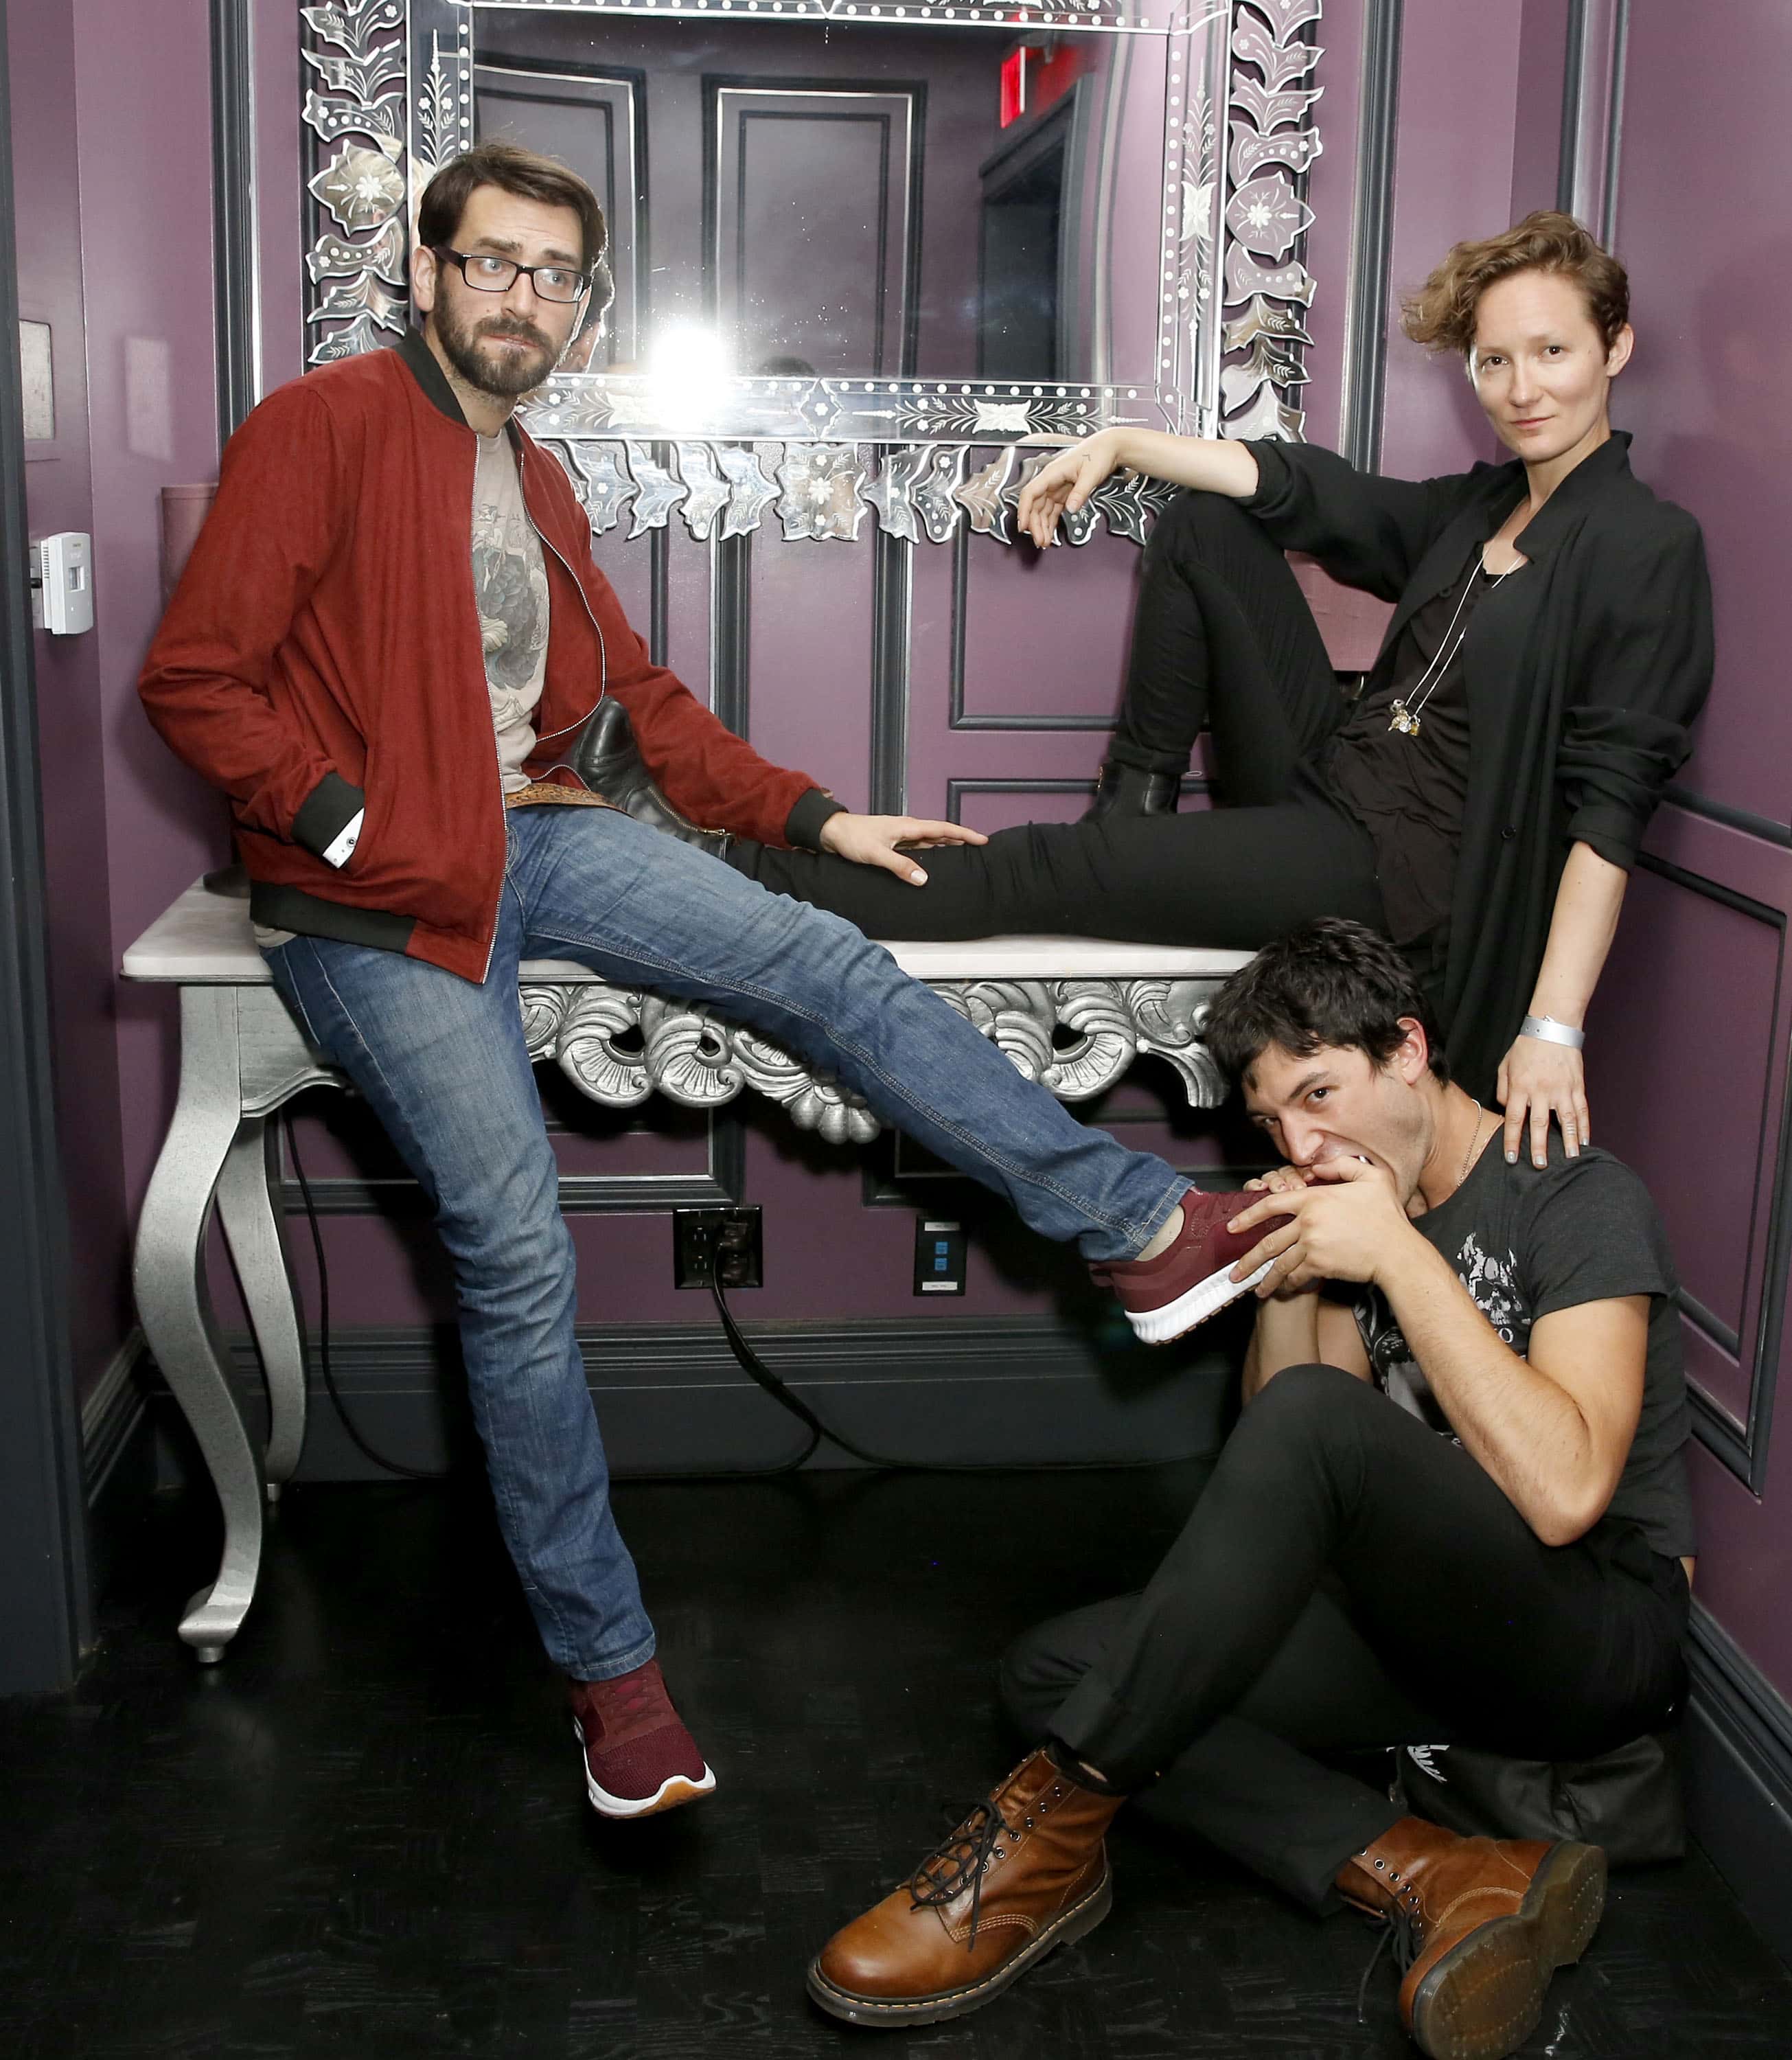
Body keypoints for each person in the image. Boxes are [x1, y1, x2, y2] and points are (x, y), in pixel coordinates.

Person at [137, 141, 1241, 1822]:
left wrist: (813, 814)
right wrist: (348, 823)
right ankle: (611, 1673)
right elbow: (198, 678)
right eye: (494, 264)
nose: (524, 300)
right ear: (429, 273)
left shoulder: (538, 475)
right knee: (513, 1240)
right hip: (376, 911)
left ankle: (1137, 1228)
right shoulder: (325, 426)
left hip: (537, 839)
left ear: (583, 307)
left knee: (820, 955)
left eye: (556, 276)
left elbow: (637, 706)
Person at [807, 918, 1692, 2060]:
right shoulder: (1363, 1201)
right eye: (1276, 1119)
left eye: (1324, 1092)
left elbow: (1567, 1493)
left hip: (1593, 1638)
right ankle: (1442, 1870)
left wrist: (1396, 1256)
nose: (1306, 1138)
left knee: (1286, 1481)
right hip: (1432, 1638)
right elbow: (1292, 1433)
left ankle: (1038, 1842)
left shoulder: (1574, 1197)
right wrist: (1293, 1271)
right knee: (1062, 1672)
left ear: (1408, 1050)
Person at [719, 211, 1714, 1169]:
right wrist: (1122, 442)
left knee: (1037, 872)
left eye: (1552, 353)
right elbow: (1300, 488)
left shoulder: (1642, 547)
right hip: (1333, 782)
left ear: (1614, 349)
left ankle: (728, 880)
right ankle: (1133, 803)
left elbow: (1607, 815)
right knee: (1205, 521)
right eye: (1493, 361)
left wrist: (1552, 1027)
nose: (1519, 389)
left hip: (1395, 876)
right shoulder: (1480, 506)